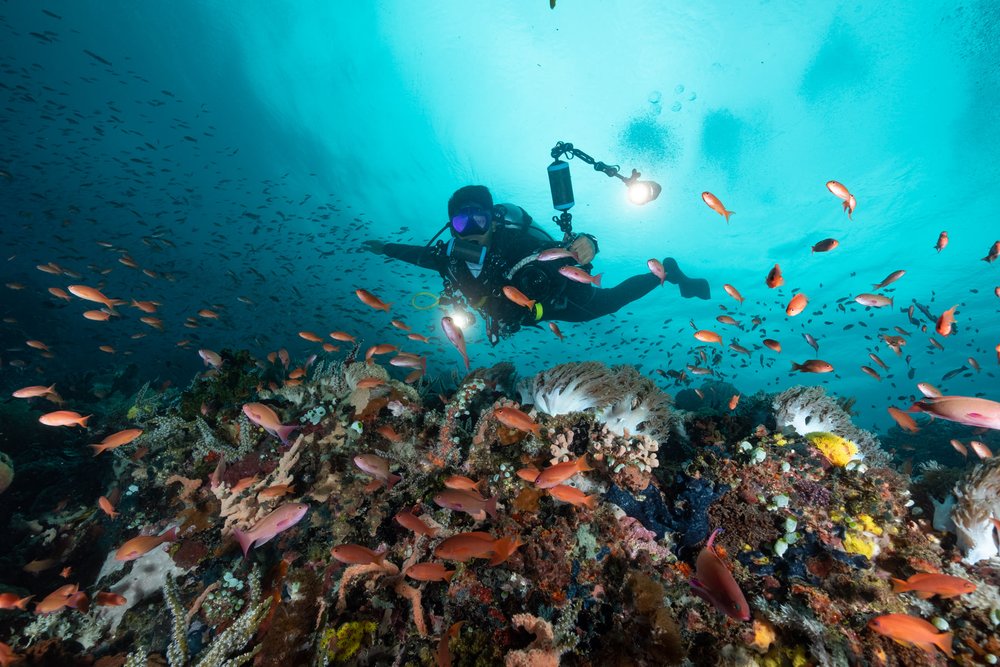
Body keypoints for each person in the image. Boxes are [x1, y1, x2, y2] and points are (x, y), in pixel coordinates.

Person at [363, 185, 710, 344]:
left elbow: (563, 248)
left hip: (560, 302)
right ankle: (667, 273)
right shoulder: (451, 260)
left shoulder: (515, 241)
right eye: (460, 224)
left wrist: (588, 244)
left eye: (478, 220)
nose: (470, 232)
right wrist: (385, 248)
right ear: (451, 227)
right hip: (518, 315)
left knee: (612, 301)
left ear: (493, 221)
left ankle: (668, 273)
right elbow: (418, 255)